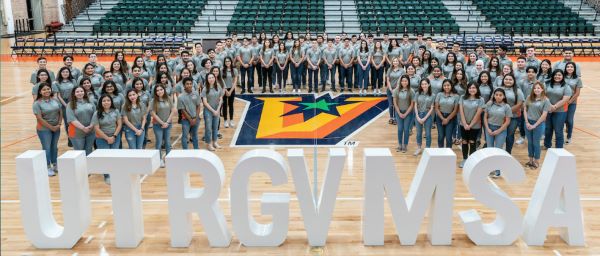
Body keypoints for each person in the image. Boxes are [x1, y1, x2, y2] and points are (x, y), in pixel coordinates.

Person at [33, 83, 62, 176]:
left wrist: (59, 124)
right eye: (44, 90)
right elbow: (39, 118)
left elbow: (60, 112)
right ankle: (47, 167)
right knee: (47, 148)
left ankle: (55, 164)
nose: (47, 91)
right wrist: (51, 127)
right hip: (44, 129)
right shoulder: (37, 103)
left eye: (48, 89)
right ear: (40, 92)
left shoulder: (55, 100)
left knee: (54, 147)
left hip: (56, 127)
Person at [93, 94, 122, 184]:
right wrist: (107, 138)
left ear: (111, 102)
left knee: (114, 156)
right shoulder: (97, 113)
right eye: (104, 101)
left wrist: (114, 136)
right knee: (105, 157)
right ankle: (107, 176)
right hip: (102, 138)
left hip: (115, 137)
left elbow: (119, 124)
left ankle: (115, 173)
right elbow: (96, 128)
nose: (106, 102)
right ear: (101, 103)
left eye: (108, 100)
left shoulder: (116, 111)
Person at [484, 88, 512, 177]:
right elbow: (485, 117)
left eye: (500, 95)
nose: (498, 96)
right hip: (489, 128)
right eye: (496, 95)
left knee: (498, 150)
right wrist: (488, 129)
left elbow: (507, 121)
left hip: (501, 129)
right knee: (490, 149)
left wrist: (498, 131)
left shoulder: (506, 106)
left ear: (503, 96)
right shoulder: (489, 104)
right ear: (494, 95)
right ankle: (489, 169)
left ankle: (497, 169)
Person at [524, 82, 550, 169]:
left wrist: (534, 125)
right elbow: (525, 109)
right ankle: (530, 160)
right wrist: (527, 122)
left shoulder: (546, 100)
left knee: (536, 143)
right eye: (535, 88)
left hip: (538, 124)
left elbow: (544, 115)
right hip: (528, 123)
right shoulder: (529, 97)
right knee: (530, 142)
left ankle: (537, 161)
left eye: (538, 88)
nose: (536, 90)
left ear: (542, 89)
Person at [544, 70, 573, 149]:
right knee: (547, 129)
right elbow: (543, 95)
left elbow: (565, 99)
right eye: (555, 75)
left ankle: (559, 148)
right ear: (553, 75)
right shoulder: (547, 83)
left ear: (563, 76)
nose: (557, 76)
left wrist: (555, 107)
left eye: (559, 75)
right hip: (548, 110)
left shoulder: (566, 86)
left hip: (560, 112)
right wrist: (550, 106)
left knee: (558, 130)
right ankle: (547, 145)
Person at [458, 83, 484, 168]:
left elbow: (478, 114)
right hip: (463, 124)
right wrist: (465, 124)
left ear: (477, 89)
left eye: (473, 88)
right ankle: (465, 159)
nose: (471, 89)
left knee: (472, 142)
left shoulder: (480, 99)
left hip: (475, 125)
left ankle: (471, 161)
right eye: (470, 88)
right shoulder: (462, 97)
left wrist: (470, 125)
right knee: (464, 141)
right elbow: (461, 112)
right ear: (467, 89)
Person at [150, 84, 176, 168]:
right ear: (155, 92)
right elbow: (153, 114)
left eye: (161, 89)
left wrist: (167, 122)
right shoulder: (153, 101)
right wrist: (162, 123)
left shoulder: (168, 98)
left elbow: (173, 110)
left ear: (164, 90)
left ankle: (168, 159)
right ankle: (160, 159)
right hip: (158, 125)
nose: (159, 91)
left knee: (168, 143)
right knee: (159, 142)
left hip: (168, 124)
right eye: (157, 90)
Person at [498, 74, 524, 154]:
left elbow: (519, 104)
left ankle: (508, 153)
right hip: (499, 117)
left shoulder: (518, 91)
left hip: (513, 117)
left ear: (514, 81)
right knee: (500, 134)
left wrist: (506, 113)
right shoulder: (499, 89)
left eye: (510, 79)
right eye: (506, 79)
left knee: (509, 135)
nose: (508, 81)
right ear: (503, 80)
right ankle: (499, 152)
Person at [67, 86, 96, 156]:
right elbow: (72, 119)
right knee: (79, 153)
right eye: (77, 92)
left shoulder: (90, 102)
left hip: (90, 131)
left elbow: (95, 115)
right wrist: (83, 128)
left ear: (84, 92)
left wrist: (91, 126)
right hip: (76, 133)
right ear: (74, 94)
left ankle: (88, 166)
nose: (80, 93)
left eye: (81, 91)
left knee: (89, 150)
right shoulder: (70, 104)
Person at [201, 73, 224, 151]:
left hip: (216, 110)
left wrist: (217, 110)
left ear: (215, 78)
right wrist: (213, 111)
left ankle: (215, 142)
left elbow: (221, 98)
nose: (211, 79)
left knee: (215, 127)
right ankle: (209, 144)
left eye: (212, 77)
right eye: (209, 78)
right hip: (208, 111)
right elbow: (205, 102)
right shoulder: (205, 89)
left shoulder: (218, 86)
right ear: (207, 79)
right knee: (208, 128)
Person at [413, 78, 435, 156]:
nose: (424, 85)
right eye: (422, 84)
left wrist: (425, 118)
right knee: (419, 133)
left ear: (429, 84)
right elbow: (415, 105)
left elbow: (432, 108)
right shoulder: (417, 94)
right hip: (418, 114)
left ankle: (427, 149)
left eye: (425, 84)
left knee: (428, 133)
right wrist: (417, 116)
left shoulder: (433, 95)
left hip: (428, 115)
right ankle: (419, 148)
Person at [393, 75, 415, 153]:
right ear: (400, 82)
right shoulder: (396, 90)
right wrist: (399, 112)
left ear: (408, 82)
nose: (404, 82)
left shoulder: (411, 91)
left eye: (406, 81)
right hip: (399, 112)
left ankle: (405, 145)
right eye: (403, 81)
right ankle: (399, 145)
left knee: (406, 129)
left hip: (408, 113)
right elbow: (395, 103)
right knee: (400, 129)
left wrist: (405, 114)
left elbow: (412, 104)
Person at [178, 77, 201, 149]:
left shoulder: (196, 93)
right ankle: (185, 152)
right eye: (187, 84)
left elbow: (198, 106)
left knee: (195, 135)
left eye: (190, 84)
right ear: (184, 85)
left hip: (196, 118)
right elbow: (182, 110)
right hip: (185, 120)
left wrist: (196, 118)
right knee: (185, 136)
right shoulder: (180, 97)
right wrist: (190, 120)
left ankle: (196, 150)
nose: (189, 85)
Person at [435, 79, 459, 148]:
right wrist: (443, 119)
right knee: (440, 136)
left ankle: (449, 154)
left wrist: (447, 119)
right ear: (442, 86)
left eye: (448, 85)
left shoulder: (456, 96)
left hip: (451, 117)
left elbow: (455, 110)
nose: (446, 87)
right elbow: (436, 108)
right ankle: (440, 151)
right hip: (440, 117)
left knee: (448, 137)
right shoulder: (439, 94)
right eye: (444, 85)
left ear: (451, 86)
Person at [564, 62, 583, 144]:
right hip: (562, 102)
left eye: (571, 67)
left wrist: (569, 102)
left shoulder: (578, 79)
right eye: (568, 66)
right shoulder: (562, 76)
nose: (569, 68)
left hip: (571, 102)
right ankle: (561, 134)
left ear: (574, 68)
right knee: (562, 119)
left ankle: (569, 136)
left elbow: (577, 93)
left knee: (569, 120)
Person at [386, 58, 405, 125]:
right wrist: (391, 89)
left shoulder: (402, 70)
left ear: (398, 62)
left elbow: (402, 80)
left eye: (396, 61)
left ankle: (396, 118)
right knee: (391, 104)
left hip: (398, 90)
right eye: (394, 61)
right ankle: (391, 117)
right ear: (392, 62)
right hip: (390, 90)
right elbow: (388, 80)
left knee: (396, 104)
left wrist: (396, 88)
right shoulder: (389, 69)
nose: (395, 62)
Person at [222, 57, 238, 128]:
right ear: (224, 62)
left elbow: (235, 81)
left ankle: (231, 120)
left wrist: (231, 91)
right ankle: (225, 120)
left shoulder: (234, 70)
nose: (227, 62)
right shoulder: (221, 70)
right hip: (224, 89)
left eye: (228, 61)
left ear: (231, 62)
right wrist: (225, 90)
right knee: (225, 105)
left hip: (232, 89)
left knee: (231, 105)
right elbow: (221, 81)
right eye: (226, 61)